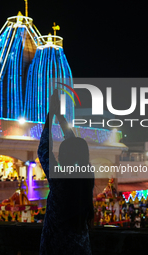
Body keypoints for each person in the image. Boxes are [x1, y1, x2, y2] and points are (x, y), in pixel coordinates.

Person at [38, 90, 94, 255]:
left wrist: (51, 116)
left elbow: (43, 150)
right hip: (81, 248)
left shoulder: (60, 180)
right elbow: (75, 147)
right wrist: (61, 118)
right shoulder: (86, 176)